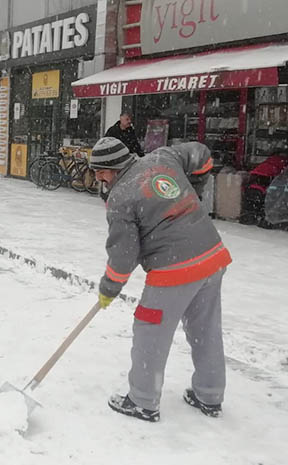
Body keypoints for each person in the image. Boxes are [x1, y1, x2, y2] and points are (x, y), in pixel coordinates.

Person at [90, 137, 231, 422]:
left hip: (173, 271)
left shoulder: (120, 198)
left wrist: (109, 287)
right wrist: (196, 189)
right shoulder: (162, 157)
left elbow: (124, 255)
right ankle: (209, 395)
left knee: (150, 331)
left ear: (111, 168)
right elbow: (201, 155)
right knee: (205, 328)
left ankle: (142, 401)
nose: (98, 178)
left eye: (99, 171)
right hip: (212, 256)